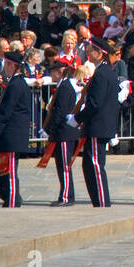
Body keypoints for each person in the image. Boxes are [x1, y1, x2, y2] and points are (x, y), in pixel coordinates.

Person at [0, 51, 31, 208]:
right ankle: (9, 195)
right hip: (7, 134)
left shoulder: (16, 85)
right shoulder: (13, 83)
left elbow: (5, 113)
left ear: (11, 65)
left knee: (9, 170)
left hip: (12, 134)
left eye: (6, 64)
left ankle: (13, 198)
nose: (4, 67)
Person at [78, 37, 123, 208]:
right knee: (89, 164)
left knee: (96, 165)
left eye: (91, 50)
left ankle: (102, 201)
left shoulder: (102, 73)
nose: (88, 52)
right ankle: (98, 200)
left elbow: (95, 103)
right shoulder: (104, 72)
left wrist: (77, 118)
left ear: (100, 53)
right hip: (97, 126)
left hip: (98, 126)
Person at [43, 60, 82, 206]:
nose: (51, 74)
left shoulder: (65, 87)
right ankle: (65, 194)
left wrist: (48, 129)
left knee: (64, 166)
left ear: (59, 72)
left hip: (64, 133)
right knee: (61, 166)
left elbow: (60, 112)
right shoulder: (63, 86)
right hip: (61, 132)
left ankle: (66, 196)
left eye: (53, 71)